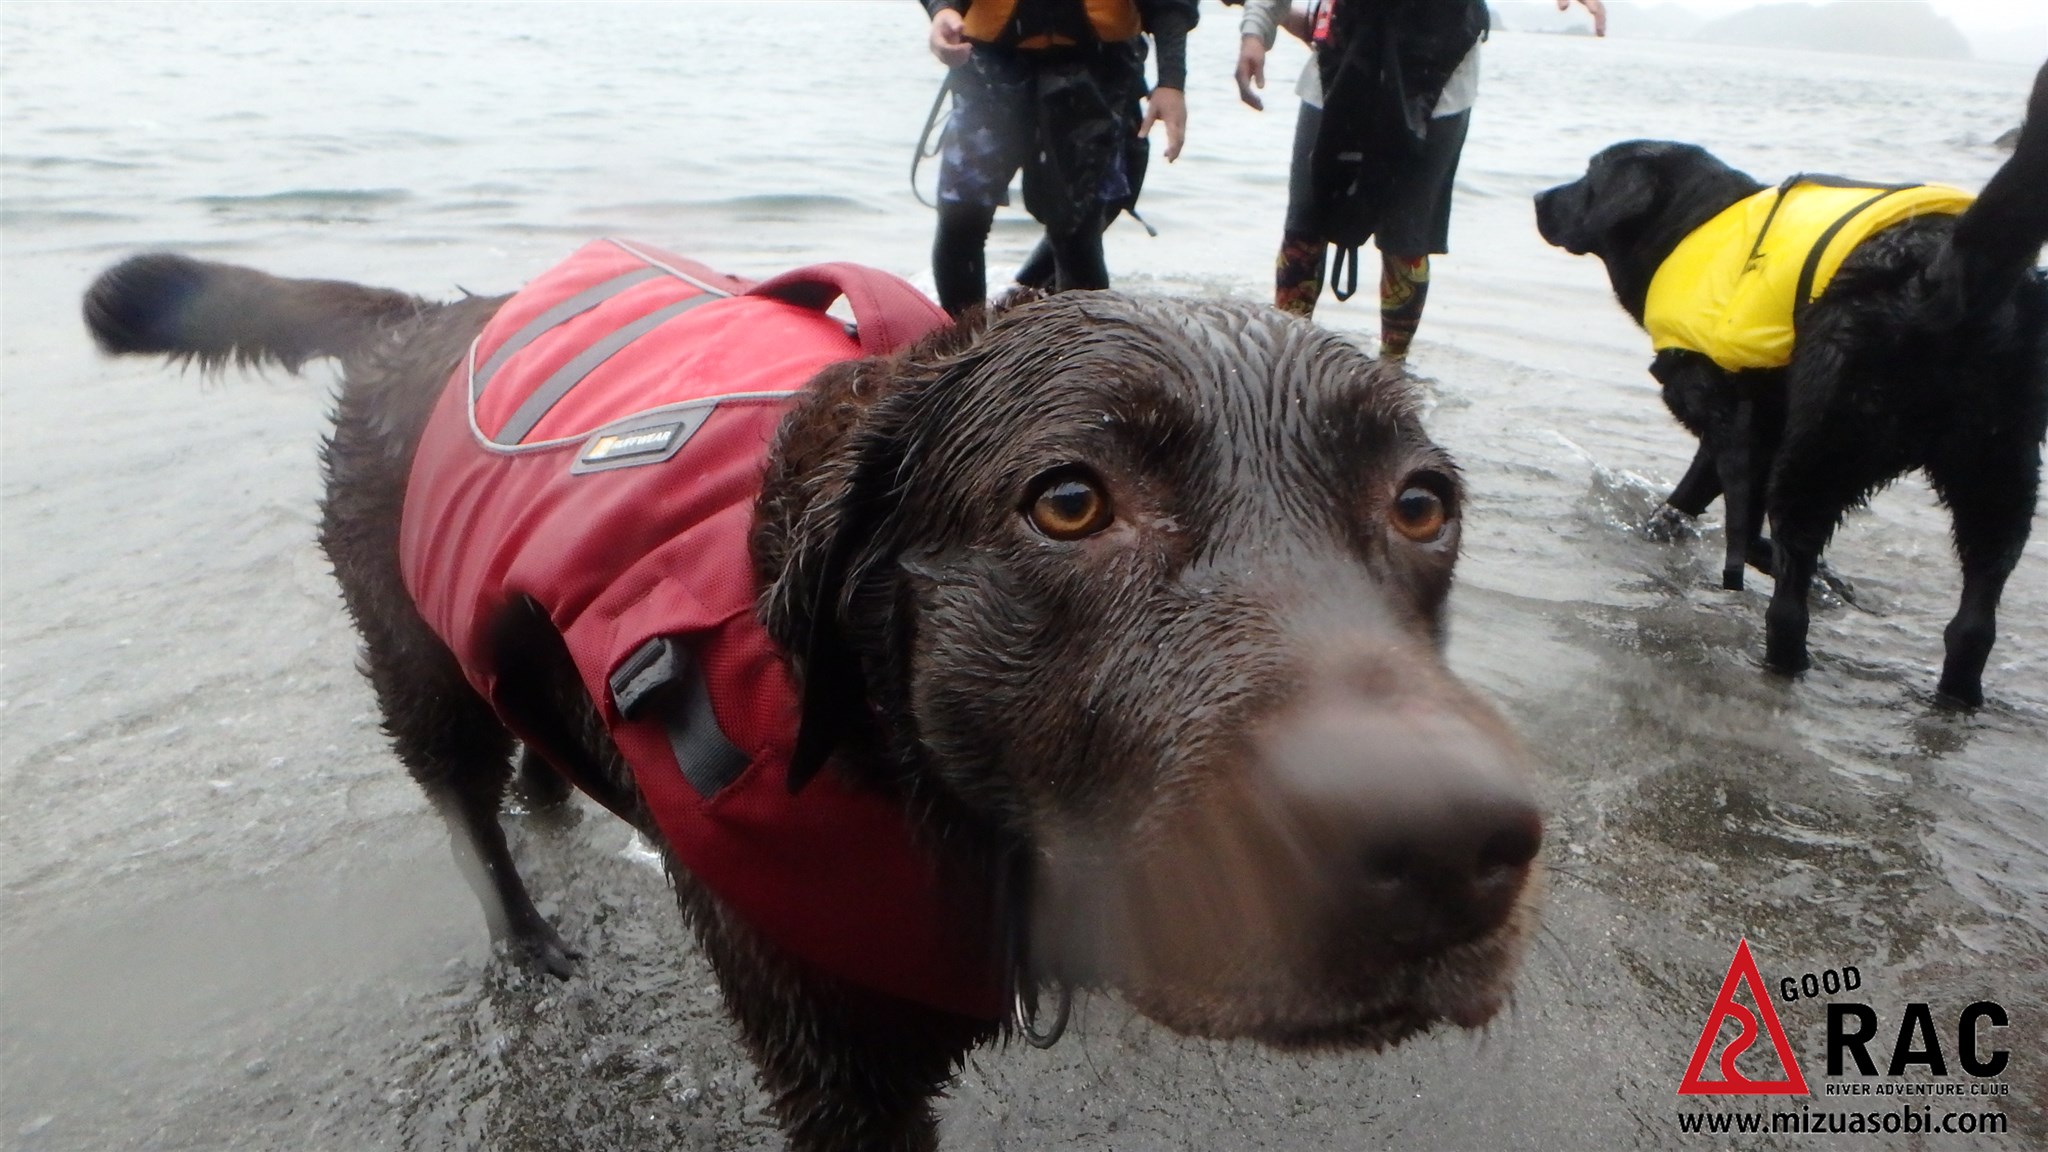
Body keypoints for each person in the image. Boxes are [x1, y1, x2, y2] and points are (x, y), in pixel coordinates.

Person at [1236, 0, 1605, 361]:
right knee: (1305, 225)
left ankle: (1394, 370)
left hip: (1439, 71)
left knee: (1406, 238)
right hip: (1341, 54)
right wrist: (1255, 32)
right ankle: (1283, 363)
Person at [926, 0, 1198, 316]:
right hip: (990, 63)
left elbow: (1171, 6)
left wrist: (1171, 82)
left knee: (1078, 228)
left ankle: (1074, 346)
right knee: (961, 215)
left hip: (1096, 66)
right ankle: (963, 342)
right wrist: (942, 9)